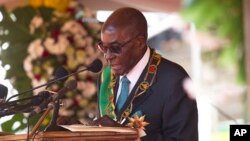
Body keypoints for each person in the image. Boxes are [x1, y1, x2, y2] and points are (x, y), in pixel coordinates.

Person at [96, 7, 198, 141]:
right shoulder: (106, 77)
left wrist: (129, 135)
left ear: (139, 42)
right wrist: (77, 128)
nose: (108, 56)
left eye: (115, 48)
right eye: (104, 47)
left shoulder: (174, 81)